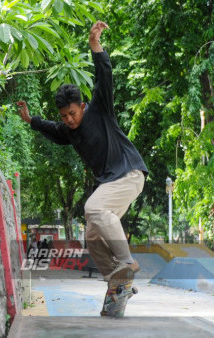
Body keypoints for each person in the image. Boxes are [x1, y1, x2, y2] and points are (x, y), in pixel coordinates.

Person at [16, 21, 148, 282]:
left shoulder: (100, 109)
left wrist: (95, 46)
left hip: (129, 173)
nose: (69, 120)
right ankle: (116, 281)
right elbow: (52, 129)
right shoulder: (67, 130)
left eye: (73, 114)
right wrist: (31, 120)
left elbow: (104, 77)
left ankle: (126, 262)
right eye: (64, 116)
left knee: (93, 208)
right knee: (92, 234)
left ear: (82, 106)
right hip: (112, 182)